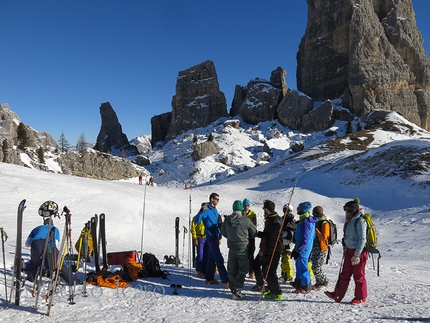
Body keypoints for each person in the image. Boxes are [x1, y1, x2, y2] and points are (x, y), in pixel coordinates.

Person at [325, 200, 368, 304]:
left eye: (346, 211)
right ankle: (338, 295)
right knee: (344, 273)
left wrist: (357, 254)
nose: (345, 213)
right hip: (349, 251)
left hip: (359, 252)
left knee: (358, 275)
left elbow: (362, 239)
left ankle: (360, 297)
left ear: (351, 211)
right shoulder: (350, 220)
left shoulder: (360, 221)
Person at [25, 201, 76, 285]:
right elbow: (55, 242)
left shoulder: (37, 228)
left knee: (34, 263)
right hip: (49, 241)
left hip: (36, 243)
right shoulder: (55, 229)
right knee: (58, 263)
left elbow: (27, 244)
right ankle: (72, 280)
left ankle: (30, 278)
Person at [221, 200, 256, 300]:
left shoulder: (227, 220)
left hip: (232, 247)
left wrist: (231, 237)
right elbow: (253, 232)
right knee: (243, 269)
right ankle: (237, 290)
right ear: (241, 208)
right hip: (243, 248)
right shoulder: (245, 220)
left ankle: (233, 288)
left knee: (232, 269)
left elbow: (223, 231)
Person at [193, 193, 229, 287]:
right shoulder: (206, 209)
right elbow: (196, 221)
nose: (218, 201)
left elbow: (216, 221)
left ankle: (209, 278)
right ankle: (226, 281)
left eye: (218, 199)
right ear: (211, 199)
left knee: (211, 258)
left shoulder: (214, 209)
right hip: (210, 235)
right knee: (218, 258)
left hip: (216, 234)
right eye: (216, 199)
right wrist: (200, 212)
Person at [252, 200, 283, 300]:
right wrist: (259, 234)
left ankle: (277, 293)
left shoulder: (275, 221)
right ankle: (270, 288)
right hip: (267, 249)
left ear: (267, 209)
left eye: (264, 209)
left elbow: (273, 238)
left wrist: (267, 252)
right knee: (265, 270)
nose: (263, 212)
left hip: (272, 250)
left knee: (270, 271)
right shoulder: (270, 219)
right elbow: (267, 235)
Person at [291, 201, 317, 294]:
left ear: (302, 210)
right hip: (302, 248)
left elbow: (304, 239)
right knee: (299, 266)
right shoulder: (306, 220)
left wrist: (299, 250)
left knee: (303, 268)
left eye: (298, 208)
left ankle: (306, 287)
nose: (297, 209)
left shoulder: (305, 222)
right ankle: (299, 284)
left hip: (303, 249)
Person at [310, 206, 330, 289]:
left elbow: (324, 237)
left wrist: (315, 229)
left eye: (314, 213)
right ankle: (319, 282)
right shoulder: (317, 221)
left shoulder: (324, 223)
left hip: (321, 248)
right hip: (315, 246)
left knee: (316, 267)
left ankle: (324, 282)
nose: (313, 215)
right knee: (314, 266)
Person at [191, 203, 209, 278]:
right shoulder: (197, 217)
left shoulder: (207, 218)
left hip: (207, 238)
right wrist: (195, 238)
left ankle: (206, 269)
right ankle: (199, 270)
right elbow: (193, 228)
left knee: (207, 255)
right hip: (200, 238)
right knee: (200, 255)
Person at [279, 203, 296, 282]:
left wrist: (288, 227)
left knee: (286, 258)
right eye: (284, 210)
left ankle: (289, 275)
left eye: (287, 210)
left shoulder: (293, 219)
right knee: (283, 259)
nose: (285, 212)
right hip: (283, 240)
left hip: (290, 242)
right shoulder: (282, 219)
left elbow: (294, 229)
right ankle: (284, 274)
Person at [242, 198, 257, 279]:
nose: (246, 207)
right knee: (243, 255)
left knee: (251, 255)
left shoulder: (253, 214)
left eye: (247, 206)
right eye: (244, 206)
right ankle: (243, 271)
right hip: (243, 237)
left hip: (250, 237)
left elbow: (254, 225)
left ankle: (251, 271)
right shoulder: (241, 213)